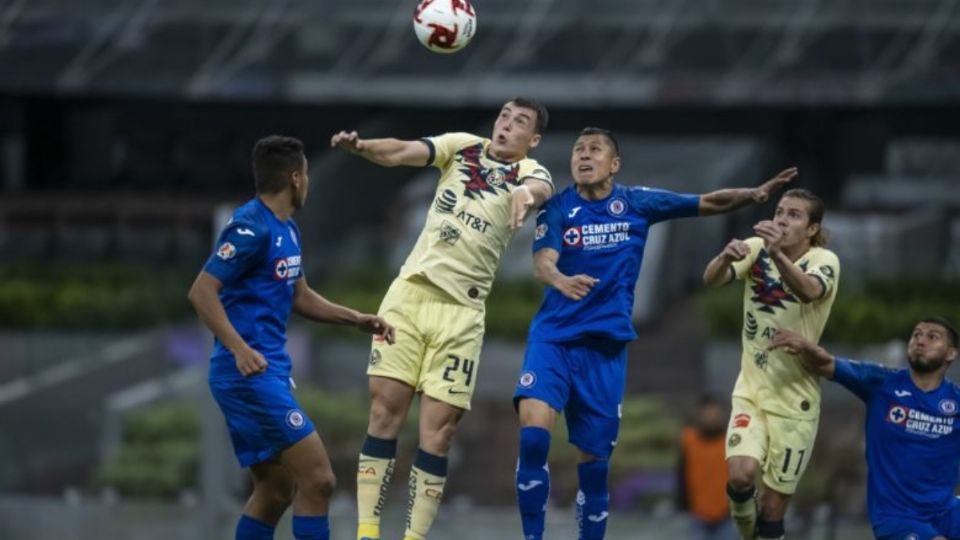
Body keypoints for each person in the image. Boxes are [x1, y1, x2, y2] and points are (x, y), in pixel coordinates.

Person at [513, 126, 797, 540]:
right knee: (534, 436)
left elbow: (707, 201)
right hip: (553, 338)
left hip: (606, 349)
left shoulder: (636, 202)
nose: (584, 155)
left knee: (594, 467)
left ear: (615, 164)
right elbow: (543, 261)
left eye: (595, 149)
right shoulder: (558, 208)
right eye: (578, 150)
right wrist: (558, 279)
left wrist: (753, 195)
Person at [330, 97, 556, 540]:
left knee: (440, 433)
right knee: (383, 412)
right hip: (409, 298)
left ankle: (414, 537)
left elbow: (541, 190)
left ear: (534, 139)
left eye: (520, 122)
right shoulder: (462, 147)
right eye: (504, 116)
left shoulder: (531, 172)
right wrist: (362, 147)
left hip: (462, 314)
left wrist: (525, 196)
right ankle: (368, 532)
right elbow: (400, 151)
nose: (507, 125)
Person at [187, 135, 396, 540]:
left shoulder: (288, 230)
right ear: (297, 178)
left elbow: (300, 296)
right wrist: (239, 348)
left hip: (268, 371)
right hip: (248, 375)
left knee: (275, 488)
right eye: (308, 176)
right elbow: (201, 291)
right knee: (319, 480)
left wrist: (355, 318)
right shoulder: (250, 227)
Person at [702, 188, 840, 540]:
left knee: (774, 508)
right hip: (751, 390)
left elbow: (810, 291)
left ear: (812, 229)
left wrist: (777, 254)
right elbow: (711, 279)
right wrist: (722, 257)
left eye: (794, 215)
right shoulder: (756, 248)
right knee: (740, 475)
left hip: (796, 400)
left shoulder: (824, 260)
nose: (782, 219)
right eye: (780, 211)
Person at [770, 318, 960, 540]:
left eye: (932, 336)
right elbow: (823, 364)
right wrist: (807, 346)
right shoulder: (881, 382)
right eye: (916, 334)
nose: (920, 340)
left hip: (946, 511)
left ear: (951, 354)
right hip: (897, 517)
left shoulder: (955, 401)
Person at [678, 396, 737, 540]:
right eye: (707, 413)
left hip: (727, 514)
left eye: (715, 414)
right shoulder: (688, 440)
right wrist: (682, 504)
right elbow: (681, 473)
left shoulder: (731, 441)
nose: (711, 418)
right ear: (699, 415)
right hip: (697, 514)